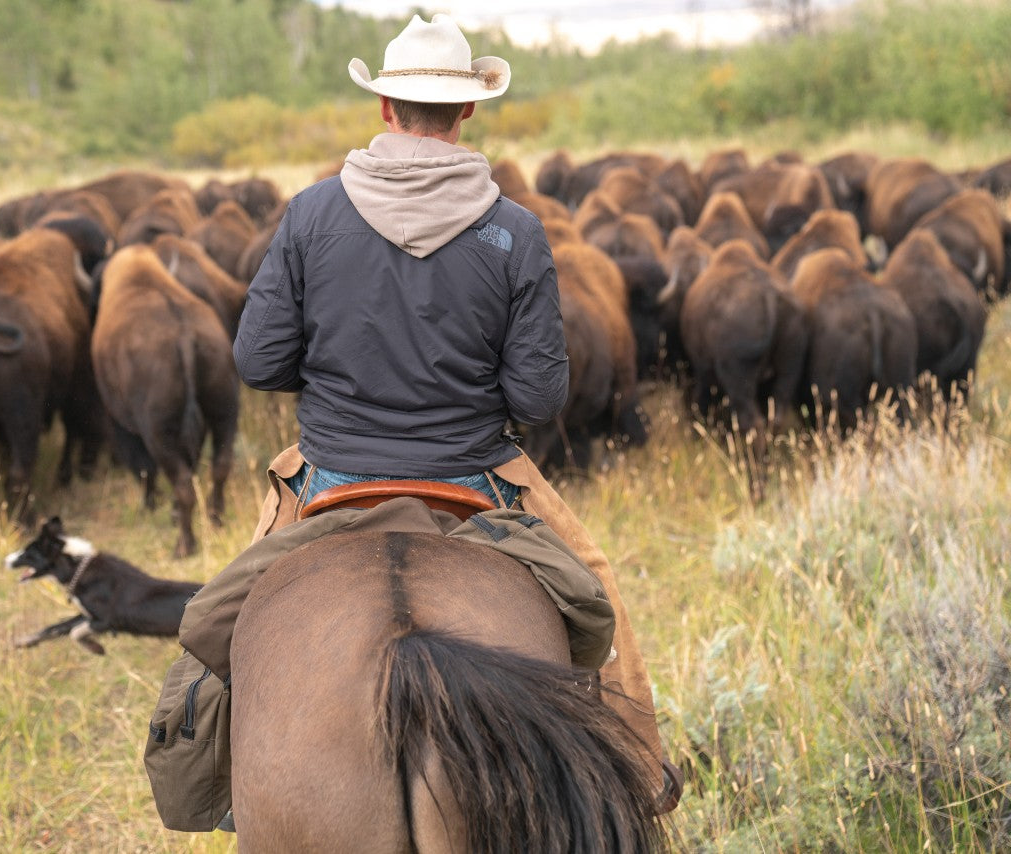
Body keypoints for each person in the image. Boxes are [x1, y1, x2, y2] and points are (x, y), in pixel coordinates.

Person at [145, 14, 681, 831]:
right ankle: (642, 778)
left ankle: (211, 789)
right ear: (466, 113)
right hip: (476, 474)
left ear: (387, 107)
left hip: (329, 475)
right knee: (598, 590)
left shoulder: (311, 215)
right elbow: (537, 402)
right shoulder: (517, 231)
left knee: (217, 628)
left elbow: (257, 364)